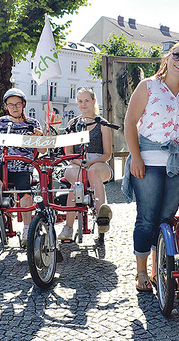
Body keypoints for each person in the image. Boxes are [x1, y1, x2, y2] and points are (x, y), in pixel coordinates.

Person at [122, 41, 179, 292]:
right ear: (167, 57)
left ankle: (160, 270)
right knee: (147, 218)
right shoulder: (148, 87)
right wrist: (135, 157)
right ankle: (142, 271)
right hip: (148, 160)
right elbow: (130, 121)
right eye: (177, 55)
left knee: (167, 219)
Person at [0, 88, 44, 246]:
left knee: (26, 194)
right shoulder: (2, 122)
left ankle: (26, 229)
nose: (15, 107)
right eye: (11, 105)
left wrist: (40, 137)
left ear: (23, 104)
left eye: (18, 104)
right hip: (3, 164)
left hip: (23, 166)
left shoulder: (32, 123)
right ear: (6, 106)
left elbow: (43, 150)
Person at [58, 87, 113, 241]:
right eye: (80, 101)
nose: (83, 104)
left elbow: (107, 154)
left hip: (99, 162)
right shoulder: (73, 123)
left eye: (87, 101)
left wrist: (90, 163)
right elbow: (68, 153)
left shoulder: (102, 123)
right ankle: (68, 227)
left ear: (94, 101)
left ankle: (102, 217)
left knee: (93, 171)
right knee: (77, 177)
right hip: (76, 162)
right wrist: (80, 162)